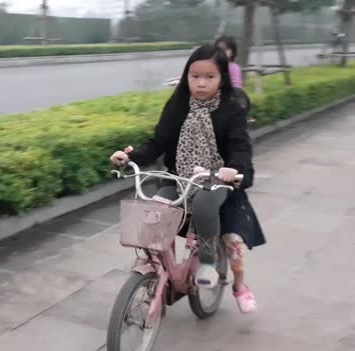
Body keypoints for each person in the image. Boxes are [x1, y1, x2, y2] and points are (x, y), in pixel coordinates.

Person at [110, 45, 265, 314]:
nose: (201, 83)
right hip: (179, 178)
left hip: (216, 180)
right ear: (186, 76)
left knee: (209, 209)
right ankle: (157, 268)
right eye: (195, 76)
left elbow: (241, 147)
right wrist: (130, 158)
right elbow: (158, 141)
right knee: (156, 207)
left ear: (222, 79)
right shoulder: (178, 104)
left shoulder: (231, 109)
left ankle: (209, 262)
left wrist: (234, 169)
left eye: (209, 77)